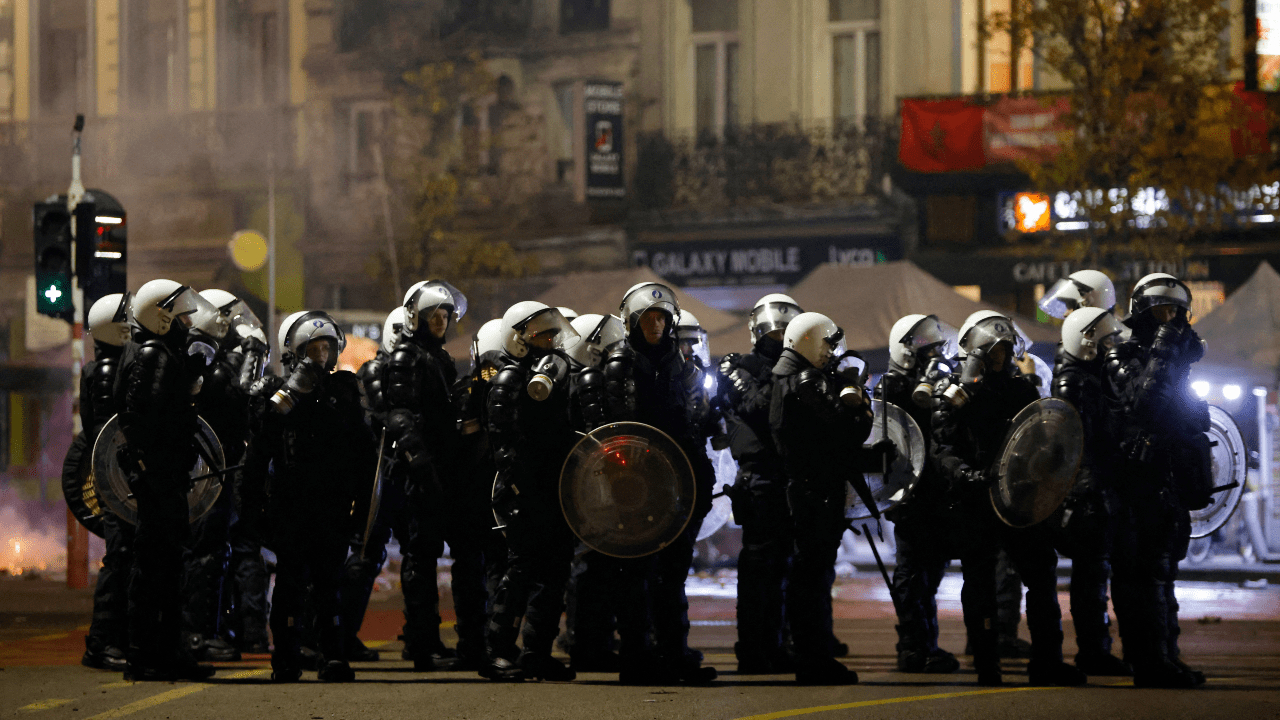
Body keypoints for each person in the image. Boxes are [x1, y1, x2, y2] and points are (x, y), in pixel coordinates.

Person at [932, 311, 1085, 687]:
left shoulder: (1021, 389)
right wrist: (963, 474)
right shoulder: (954, 393)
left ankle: (1047, 662)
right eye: (994, 348)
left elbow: (1041, 435)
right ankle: (987, 664)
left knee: (1041, 577)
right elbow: (942, 447)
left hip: (1020, 498)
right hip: (976, 501)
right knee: (980, 585)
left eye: (1004, 348)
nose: (1001, 355)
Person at [241, 311, 376, 682]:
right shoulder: (276, 395)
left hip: (331, 505)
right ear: (294, 352)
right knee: (289, 584)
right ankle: (285, 656)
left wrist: (361, 512)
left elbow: (364, 457)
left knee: (329, 584)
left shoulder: (344, 392)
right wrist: (251, 515)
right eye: (312, 349)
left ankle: (332, 654)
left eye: (326, 348)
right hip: (290, 505)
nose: (320, 356)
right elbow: (260, 448)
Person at [603, 283, 718, 684]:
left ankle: (674, 654)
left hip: (677, 481)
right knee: (636, 577)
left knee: (672, 575)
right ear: (633, 322)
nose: (656, 323)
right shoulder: (620, 363)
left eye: (662, 317)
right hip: (637, 484)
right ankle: (636, 659)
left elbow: (689, 417)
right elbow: (625, 428)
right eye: (649, 318)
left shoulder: (678, 363)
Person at [1105, 273, 1213, 688]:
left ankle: (1165, 653)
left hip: (1167, 481)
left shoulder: (1175, 361)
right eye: (1163, 312)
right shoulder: (1122, 355)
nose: (1172, 320)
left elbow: (1190, 415)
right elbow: (1146, 404)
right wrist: (1168, 347)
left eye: (1177, 313)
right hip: (1135, 484)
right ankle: (1149, 661)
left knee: (1163, 573)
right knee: (1142, 575)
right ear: (1144, 314)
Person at [112, 279, 216, 681]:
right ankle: (150, 655)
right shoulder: (154, 355)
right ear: (160, 319)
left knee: (164, 568)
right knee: (158, 568)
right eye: (181, 316)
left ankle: (160, 652)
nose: (188, 323)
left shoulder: (155, 353)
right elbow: (148, 419)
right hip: (160, 478)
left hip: (162, 475)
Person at [383, 280, 487, 669]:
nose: (441, 321)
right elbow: (399, 411)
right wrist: (420, 461)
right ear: (417, 318)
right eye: (434, 315)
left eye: (446, 315)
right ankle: (423, 643)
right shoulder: (408, 356)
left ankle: (471, 643)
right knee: (422, 559)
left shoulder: (440, 358)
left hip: (450, 469)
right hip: (425, 473)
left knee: (466, 554)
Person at [769, 312, 877, 685]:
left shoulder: (789, 377)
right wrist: (859, 401)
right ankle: (814, 661)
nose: (832, 352)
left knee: (810, 578)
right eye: (828, 343)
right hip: (815, 491)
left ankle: (813, 658)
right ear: (810, 341)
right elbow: (850, 429)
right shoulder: (806, 380)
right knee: (812, 580)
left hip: (807, 487)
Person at [481, 301, 582, 682]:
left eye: (553, 333)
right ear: (520, 338)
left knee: (556, 571)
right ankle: (498, 652)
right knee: (521, 570)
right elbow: (502, 443)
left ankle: (537, 651)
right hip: (526, 489)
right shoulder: (508, 379)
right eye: (543, 333)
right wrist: (520, 484)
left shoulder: (555, 375)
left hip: (556, 486)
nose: (552, 340)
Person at [1044, 283, 1133, 677]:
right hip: (1087, 488)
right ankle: (1092, 650)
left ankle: (1096, 648)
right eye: (1106, 338)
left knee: (1095, 573)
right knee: (1091, 573)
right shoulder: (1076, 382)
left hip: (1094, 484)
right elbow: (1090, 434)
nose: (1113, 344)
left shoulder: (1086, 376)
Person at [718, 294, 803, 674]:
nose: (779, 334)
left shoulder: (798, 368)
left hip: (790, 478)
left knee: (784, 567)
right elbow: (756, 407)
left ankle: (776, 642)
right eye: (774, 328)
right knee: (758, 569)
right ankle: (752, 649)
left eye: (787, 329)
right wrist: (784, 372)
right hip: (759, 479)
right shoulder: (737, 366)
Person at [876, 313, 961, 674]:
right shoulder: (892, 388)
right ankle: (912, 646)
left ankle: (927, 643)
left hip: (935, 492)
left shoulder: (936, 382)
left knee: (931, 571)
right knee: (912, 573)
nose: (936, 353)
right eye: (928, 347)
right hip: (910, 494)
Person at [339, 306, 406, 663]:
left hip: (399, 473)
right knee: (365, 554)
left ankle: (419, 636)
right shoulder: (378, 371)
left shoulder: (418, 365)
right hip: (382, 472)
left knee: (406, 556)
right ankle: (342, 633)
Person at [69, 293, 131, 671]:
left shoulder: (105, 368)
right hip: (118, 479)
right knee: (121, 560)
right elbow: (114, 435)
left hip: (116, 477)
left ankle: (113, 640)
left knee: (124, 560)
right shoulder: (109, 372)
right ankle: (103, 644)